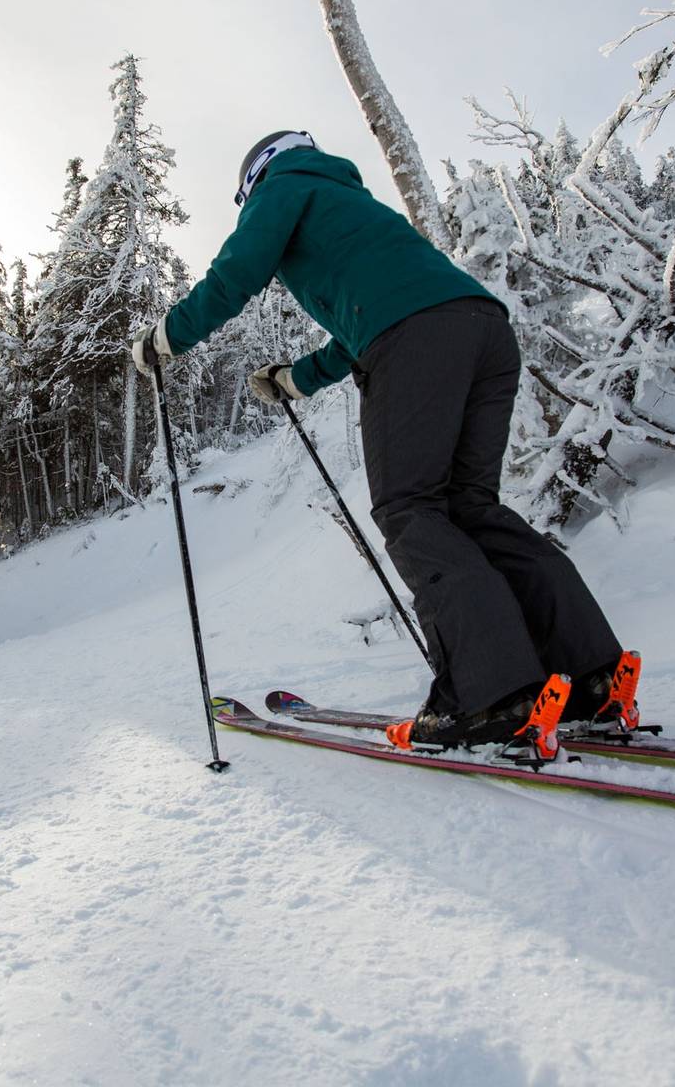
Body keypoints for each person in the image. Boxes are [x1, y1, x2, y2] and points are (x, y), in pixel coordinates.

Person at [132, 130, 640, 759]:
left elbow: (238, 272)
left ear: (254, 178)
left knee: (411, 509)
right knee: (471, 508)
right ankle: (593, 679)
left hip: (418, 339)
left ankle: (490, 698)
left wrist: (166, 337)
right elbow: (369, 323)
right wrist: (295, 379)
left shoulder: (284, 185)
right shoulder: (357, 210)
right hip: (482, 330)